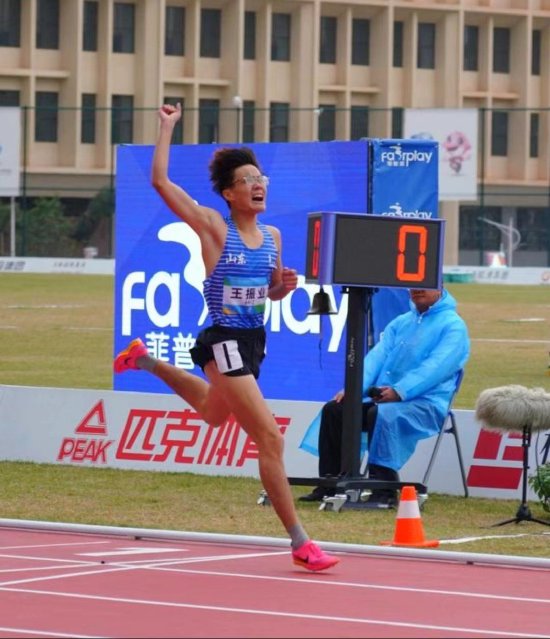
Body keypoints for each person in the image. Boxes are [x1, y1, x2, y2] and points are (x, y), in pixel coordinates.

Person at [114, 102, 338, 572]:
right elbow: (160, 183)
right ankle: (300, 541)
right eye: (248, 180)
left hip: (253, 342)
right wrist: (166, 127)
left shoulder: (273, 236)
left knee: (213, 414)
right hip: (222, 340)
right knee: (269, 439)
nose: (259, 185)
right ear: (229, 194)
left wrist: (282, 287)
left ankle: (144, 360)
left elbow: (270, 295)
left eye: (262, 179)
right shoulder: (214, 227)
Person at [299, 287, 470, 507]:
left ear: (440, 287)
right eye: (413, 286)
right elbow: (375, 358)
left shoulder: (453, 326)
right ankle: (330, 483)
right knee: (335, 409)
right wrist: (353, 389)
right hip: (384, 399)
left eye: (424, 285)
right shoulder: (401, 322)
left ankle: (384, 488)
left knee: (379, 414)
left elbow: (436, 367)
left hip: (426, 404)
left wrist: (400, 391)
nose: (417, 290)